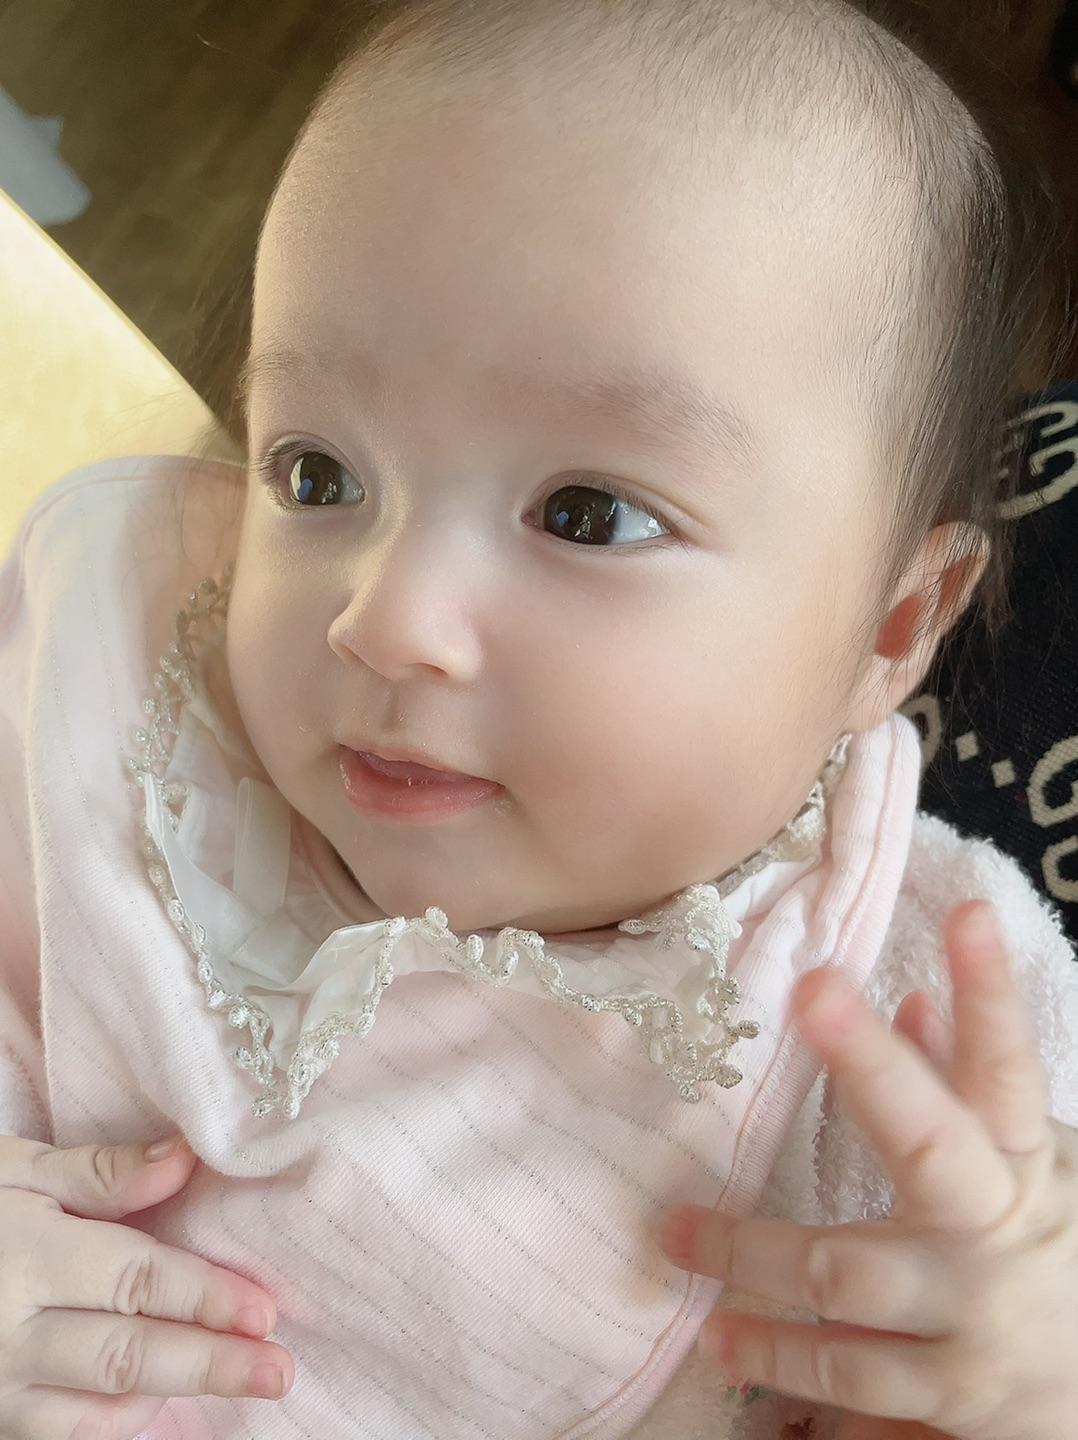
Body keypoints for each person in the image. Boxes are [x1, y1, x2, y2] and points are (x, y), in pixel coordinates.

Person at [0, 1, 1076, 1437]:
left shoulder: (920, 1019)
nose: (381, 618)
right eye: (318, 475)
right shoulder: (133, 704)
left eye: (588, 515)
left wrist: (1026, 1370)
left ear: (890, 627)